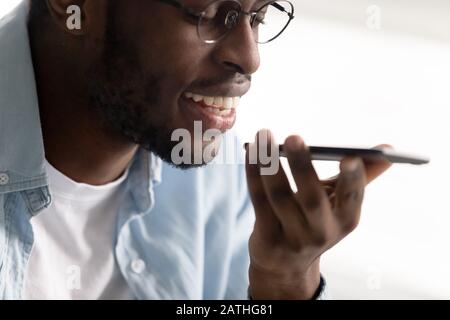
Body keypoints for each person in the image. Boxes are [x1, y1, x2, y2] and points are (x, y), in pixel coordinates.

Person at [0, 0, 391, 300]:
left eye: (259, 17)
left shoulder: (217, 178)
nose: (250, 58)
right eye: (211, 12)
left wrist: (284, 282)